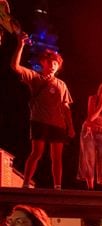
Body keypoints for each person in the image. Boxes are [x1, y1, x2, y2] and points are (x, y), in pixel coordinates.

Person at [11, 35, 74, 190]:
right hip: (39, 121)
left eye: (56, 63)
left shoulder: (62, 84)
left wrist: (70, 127)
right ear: (43, 62)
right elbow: (15, 66)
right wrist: (21, 45)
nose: (53, 66)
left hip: (58, 125)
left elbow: (66, 107)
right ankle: (26, 183)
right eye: (51, 62)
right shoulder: (34, 77)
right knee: (36, 153)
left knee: (57, 157)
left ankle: (57, 187)